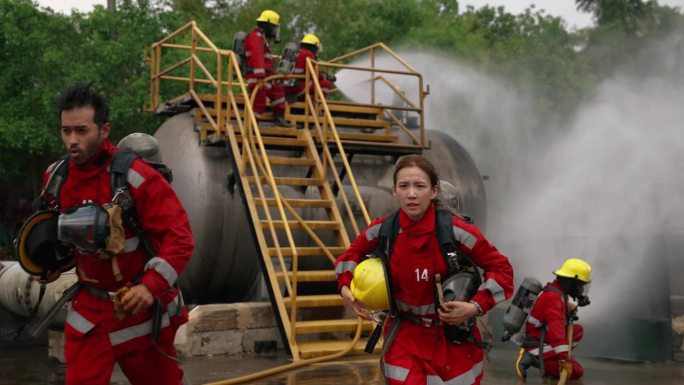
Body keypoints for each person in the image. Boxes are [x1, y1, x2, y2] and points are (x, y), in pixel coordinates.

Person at [39, 83, 194, 385]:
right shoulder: (55, 178)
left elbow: (180, 237)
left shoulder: (136, 177)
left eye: (81, 131)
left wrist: (151, 286)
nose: (72, 140)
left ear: (104, 129)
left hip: (139, 311)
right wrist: (45, 266)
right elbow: (50, 236)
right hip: (89, 316)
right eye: (66, 131)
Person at [335, 154, 514, 385]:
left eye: (420, 186)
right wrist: (345, 288)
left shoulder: (458, 232)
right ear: (394, 191)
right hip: (404, 339)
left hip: (453, 341)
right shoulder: (382, 230)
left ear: (434, 191)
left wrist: (474, 307)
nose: (411, 194)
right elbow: (348, 258)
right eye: (404, 186)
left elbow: (502, 269)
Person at [517, 258, 592, 380]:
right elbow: (556, 331)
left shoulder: (557, 291)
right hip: (537, 342)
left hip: (541, 336)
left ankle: (545, 357)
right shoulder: (554, 298)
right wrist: (564, 359)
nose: (581, 289)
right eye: (581, 286)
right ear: (573, 282)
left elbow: (558, 310)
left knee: (578, 331)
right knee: (576, 371)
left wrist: (578, 298)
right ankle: (533, 358)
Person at [245, 9, 291, 128]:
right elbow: (257, 57)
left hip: (265, 76)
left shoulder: (262, 38)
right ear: (268, 25)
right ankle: (251, 126)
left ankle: (279, 117)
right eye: (274, 27)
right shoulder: (256, 37)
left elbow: (265, 61)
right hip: (257, 77)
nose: (275, 30)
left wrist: (275, 74)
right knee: (259, 100)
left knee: (278, 89)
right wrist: (260, 78)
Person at [284, 34, 334, 102]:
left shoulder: (294, 52)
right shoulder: (308, 54)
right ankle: (314, 106)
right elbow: (316, 75)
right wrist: (326, 77)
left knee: (309, 83)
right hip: (297, 87)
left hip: (285, 87)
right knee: (326, 84)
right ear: (314, 47)